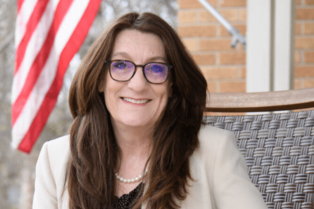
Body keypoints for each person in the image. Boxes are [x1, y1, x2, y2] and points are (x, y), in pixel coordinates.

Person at [32, 12, 266, 209]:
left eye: (155, 68)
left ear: (172, 85)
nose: (138, 84)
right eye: (121, 65)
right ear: (100, 80)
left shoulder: (214, 151)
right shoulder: (55, 159)